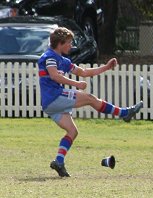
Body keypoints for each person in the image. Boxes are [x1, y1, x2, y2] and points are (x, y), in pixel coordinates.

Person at [38, 27, 143, 177]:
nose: (71, 46)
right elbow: (55, 76)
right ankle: (124, 113)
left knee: (72, 131)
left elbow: (84, 72)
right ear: (60, 43)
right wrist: (77, 84)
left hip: (51, 104)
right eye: (68, 42)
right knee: (90, 99)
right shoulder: (49, 57)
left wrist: (106, 67)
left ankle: (59, 162)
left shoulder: (64, 60)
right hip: (54, 97)